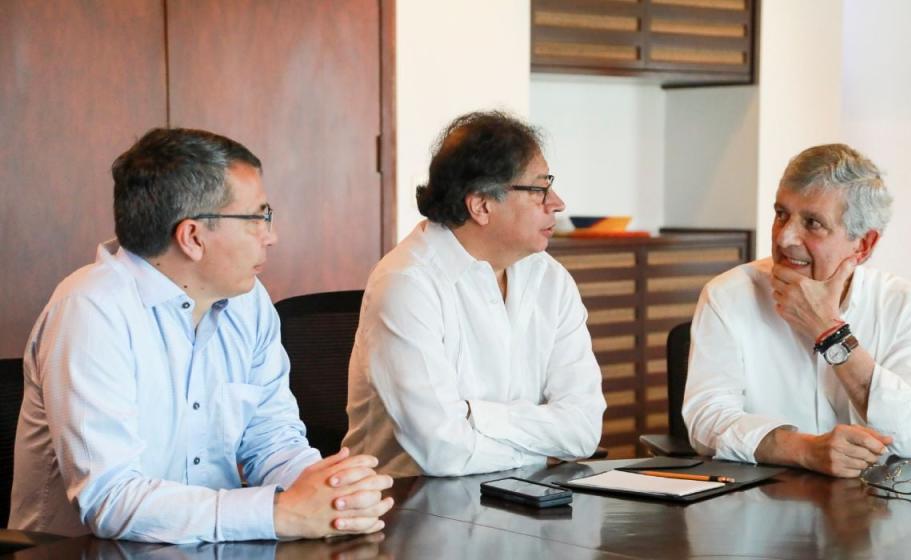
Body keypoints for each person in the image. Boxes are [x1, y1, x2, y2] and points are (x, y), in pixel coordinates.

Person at [9, 128, 393, 542]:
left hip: (214, 545)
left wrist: (335, 495)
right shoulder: (91, 309)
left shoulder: (248, 301)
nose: (271, 235)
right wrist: (279, 513)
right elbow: (111, 498)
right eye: (258, 218)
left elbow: (271, 439)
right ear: (192, 237)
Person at [342, 111, 606, 477]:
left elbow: (584, 431)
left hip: (523, 500)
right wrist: (543, 455)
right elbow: (442, 452)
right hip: (409, 508)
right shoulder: (406, 284)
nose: (557, 203)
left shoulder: (551, 280)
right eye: (539, 189)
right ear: (481, 205)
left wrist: (474, 414)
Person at [683, 143, 911, 478]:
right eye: (781, 214)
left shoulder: (906, 304)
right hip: (761, 503)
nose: (785, 238)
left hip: (874, 508)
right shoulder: (727, 296)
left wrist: (829, 331)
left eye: (812, 223)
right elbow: (706, 419)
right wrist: (804, 450)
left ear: (862, 245)